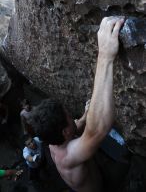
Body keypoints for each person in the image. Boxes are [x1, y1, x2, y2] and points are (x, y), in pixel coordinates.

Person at [29, 16, 124, 192]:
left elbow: (77, 126)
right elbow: (96, 131)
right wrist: (105, 55)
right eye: (69, 116)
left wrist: (86, 115)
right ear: (65, 131)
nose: (73, 117)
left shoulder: (52, 140)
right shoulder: (69, 156)